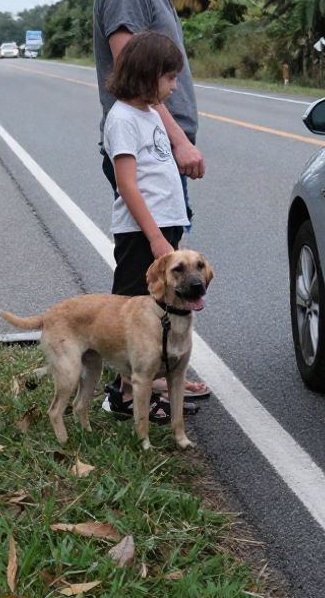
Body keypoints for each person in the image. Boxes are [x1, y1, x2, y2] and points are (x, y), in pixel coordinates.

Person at [94, 0, 213, 413]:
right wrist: (179, 136)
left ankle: (156, 373)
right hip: (152, 146)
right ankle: (126, 388)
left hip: (160, 151)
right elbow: (134, 72)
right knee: (143, 274)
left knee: (163, 276)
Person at [99, 31, 196, 422]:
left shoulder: (150, 113)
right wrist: (156, 239)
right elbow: (127, 183)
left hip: (164, 227)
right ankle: (122, 393)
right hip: (142, 232)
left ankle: (147, 384)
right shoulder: (122, 119)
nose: (174, 86)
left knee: (160, 309)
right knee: (132, 307)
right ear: (145, 75)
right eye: (169, 78)